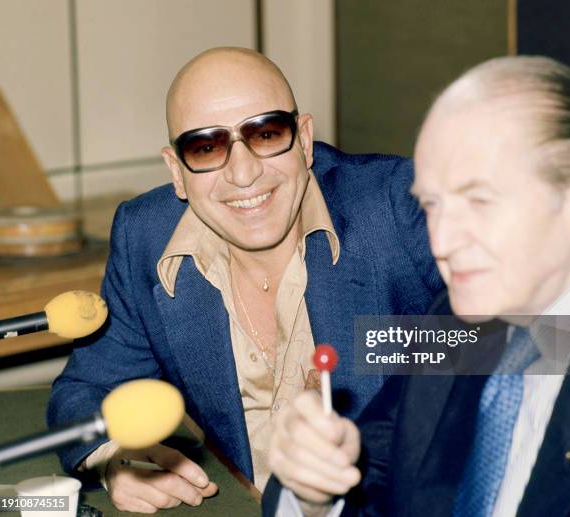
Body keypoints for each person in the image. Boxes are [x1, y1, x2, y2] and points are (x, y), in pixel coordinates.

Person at [47, 47, 442, 513]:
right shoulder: (145, 237)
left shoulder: (396, 207)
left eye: (267, 133)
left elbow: (537, 346)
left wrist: (401, 346)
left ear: (305, 139)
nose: (243, 172)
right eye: (206, 147)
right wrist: (116, 460)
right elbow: (87, 391)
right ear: (176, 171)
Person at [265, 55, 570, 516]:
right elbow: (376, 471)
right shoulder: (454, 317)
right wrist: (315, 493)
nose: (441, 241)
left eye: (479, 200)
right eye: (432, 204)